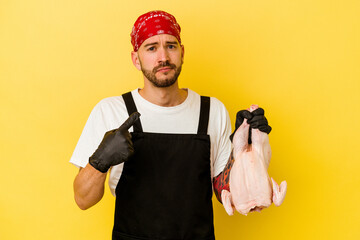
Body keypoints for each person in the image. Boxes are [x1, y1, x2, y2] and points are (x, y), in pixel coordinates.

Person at [70, 10, 271, 240]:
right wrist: (100, 161)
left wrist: (243, 149)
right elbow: (82, 200)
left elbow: (226, 195)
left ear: (182, 53)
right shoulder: (111, 111)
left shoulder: (212, 111)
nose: (163, 57)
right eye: (152, 47)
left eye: (171, 46)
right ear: (136, 59)